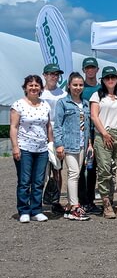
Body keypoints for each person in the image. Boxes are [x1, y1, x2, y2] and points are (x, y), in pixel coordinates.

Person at [90, 66, 117, 219]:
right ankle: (106, 203)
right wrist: (104, 134)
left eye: (113, 77)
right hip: (103, 134)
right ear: (102, 80)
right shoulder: (97, 95)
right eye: (107, 77)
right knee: (104, 171)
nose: (110, 80)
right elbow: (94, 116)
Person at [10, 75, 52, 223]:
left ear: (41, 88)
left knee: (39, 181)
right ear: (25, 87)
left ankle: (36, 210)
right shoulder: (18, 105)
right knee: (24, 181)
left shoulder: (45, 105)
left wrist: (51, 143)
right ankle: (24, 210)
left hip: (42, 149)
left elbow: (48, 126)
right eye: (31, 85)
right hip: (24, 147)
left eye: (36, 85)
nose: (34, 88)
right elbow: (14, 127)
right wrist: (15, 147)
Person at [54, 72, 91, 221]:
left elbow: (88, 126)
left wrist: (89, 144)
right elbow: (57, 125)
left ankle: (70, 206)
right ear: (69, 85)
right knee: (74, 174)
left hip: (82, 144)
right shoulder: (63, 103)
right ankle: (75, 207)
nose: (78, 87)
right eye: (75, 84)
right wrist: (59, 144)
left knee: (76, 174)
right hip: (69, 144)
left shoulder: (86, 103)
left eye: (80, 85)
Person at [40, 63, 67, 215]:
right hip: (40, 135)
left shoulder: (62, 94)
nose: (54, 76)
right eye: (51, 74)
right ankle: (37, 200)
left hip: (57, 134)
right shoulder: (39, 93)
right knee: (41, 171)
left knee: (57, 169)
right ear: (45, 75)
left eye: (56, 74)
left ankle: (56, 200)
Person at [79, 56, 101, 216]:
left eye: (93, 67)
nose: (90, 70)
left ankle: (91, 200)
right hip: (83, 132)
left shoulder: (101, 88)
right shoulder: (80, 88)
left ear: (97, 70)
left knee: (93, 168)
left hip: (97, 131)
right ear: (84, 70)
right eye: (88, 68)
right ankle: (81, 201)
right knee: (80, 168)